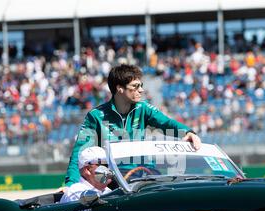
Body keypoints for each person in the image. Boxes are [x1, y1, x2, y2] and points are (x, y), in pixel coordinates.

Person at [64, 64, 201, 186]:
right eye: (135, 86)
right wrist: (71, 186)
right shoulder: (95, 116)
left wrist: (188, 132)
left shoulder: (143, 108)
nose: (141, 90)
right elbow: (79, 153)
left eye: (141, 85)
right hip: (114, 180)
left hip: (146, 174)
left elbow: (167, 123)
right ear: (120, 89)